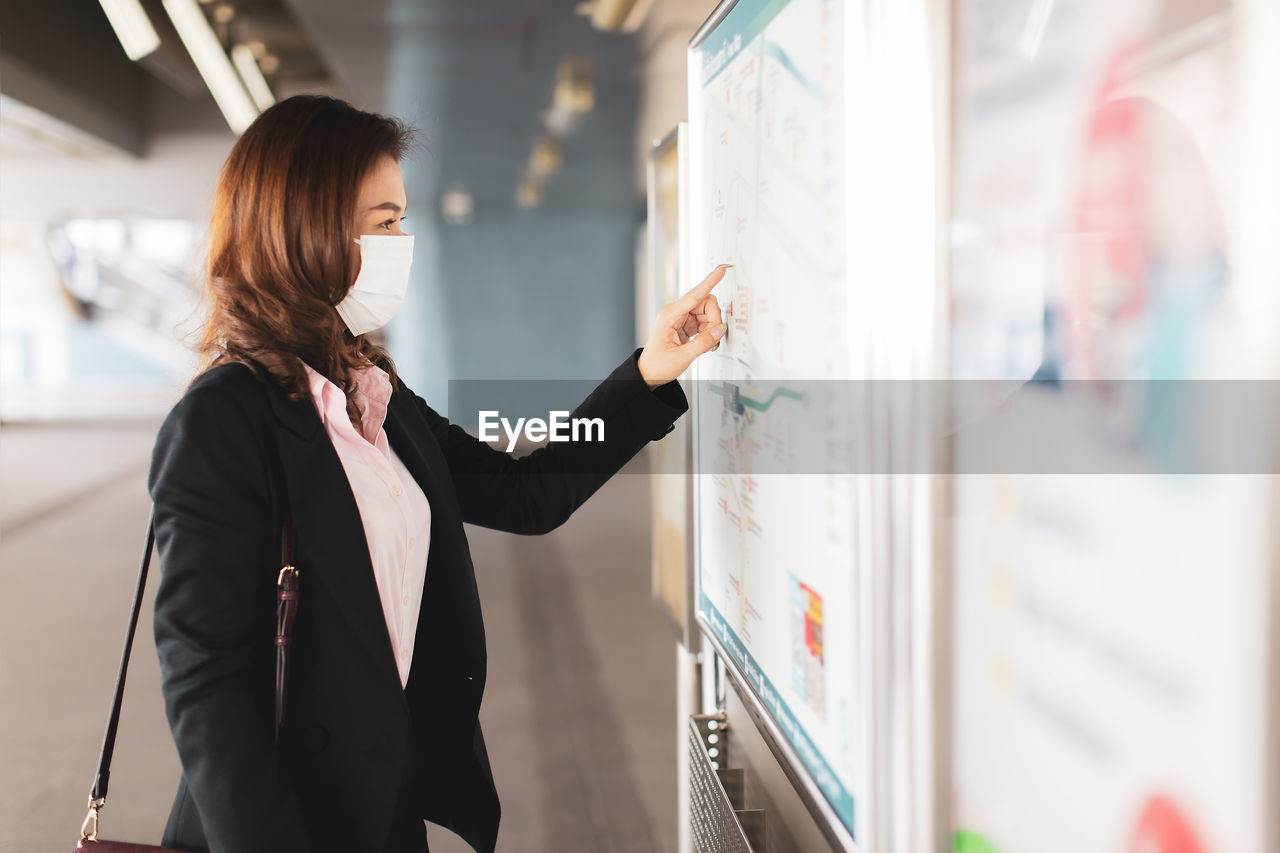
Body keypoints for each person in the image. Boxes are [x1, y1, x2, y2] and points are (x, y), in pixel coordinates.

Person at [148, 94, 727, 853]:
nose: (402, 240)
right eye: (384, 220)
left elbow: (526, 494)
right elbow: (206, 684)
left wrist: (650, 374)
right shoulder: (225, 420)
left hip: (385, 812)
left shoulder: (374, 393)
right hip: (282, 826)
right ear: (307, 228)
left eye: (402, 218)